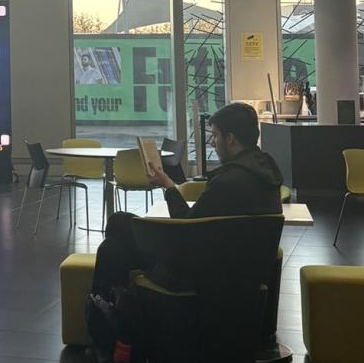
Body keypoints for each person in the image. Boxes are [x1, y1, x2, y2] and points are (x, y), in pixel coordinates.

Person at [91, 102, 283, 297]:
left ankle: (105, 311)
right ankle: (110, 309)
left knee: (117, 226)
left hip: (198, 275)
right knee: (113, 249)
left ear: (230, 138)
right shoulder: (266, 173)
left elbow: (186, 226)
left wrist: (168, 186)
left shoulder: (227, 183)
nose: (213, 142)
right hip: (243, 271)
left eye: (215, 135)